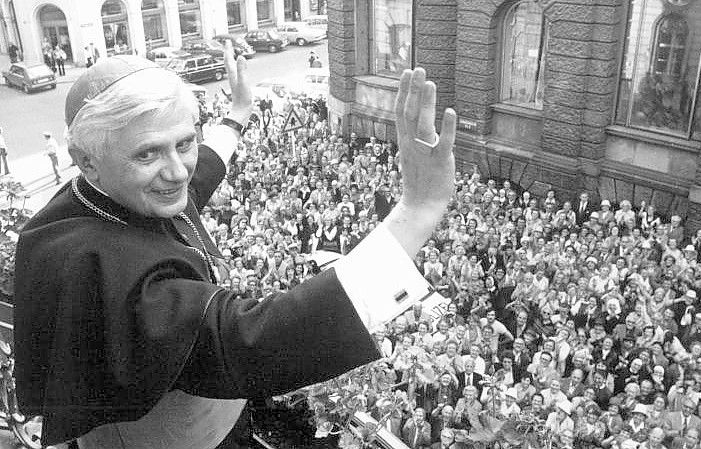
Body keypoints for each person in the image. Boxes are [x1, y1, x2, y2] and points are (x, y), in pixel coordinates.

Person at [14, 41, 458, 448]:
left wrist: (238, 113)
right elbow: (254, 342)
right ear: (87, 160)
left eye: (184, 142)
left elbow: (202, 170)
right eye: (147, 153)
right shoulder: (110, 271)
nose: (177, 172)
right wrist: (417, 211)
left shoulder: (109, 194)